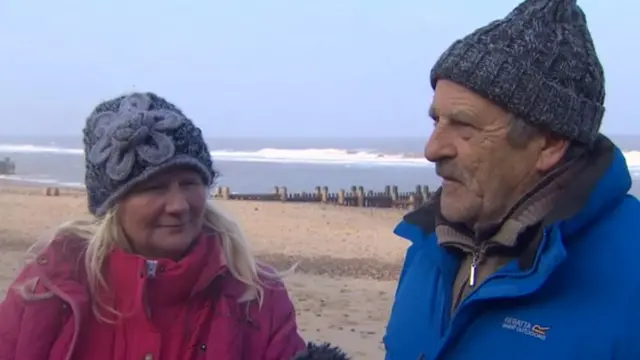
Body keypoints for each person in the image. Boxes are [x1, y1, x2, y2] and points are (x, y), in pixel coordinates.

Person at [383, 0, 640, 359]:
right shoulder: (428, 248)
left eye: (464, 125)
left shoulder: (631, 276)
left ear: (549, 141)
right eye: (436, 121)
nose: (433, 148)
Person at [0, 92, 306, 359]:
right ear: (113, 206)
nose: (179, 205)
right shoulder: (50, 287)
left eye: (189, 182)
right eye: (154, 188)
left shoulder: (256, 295)